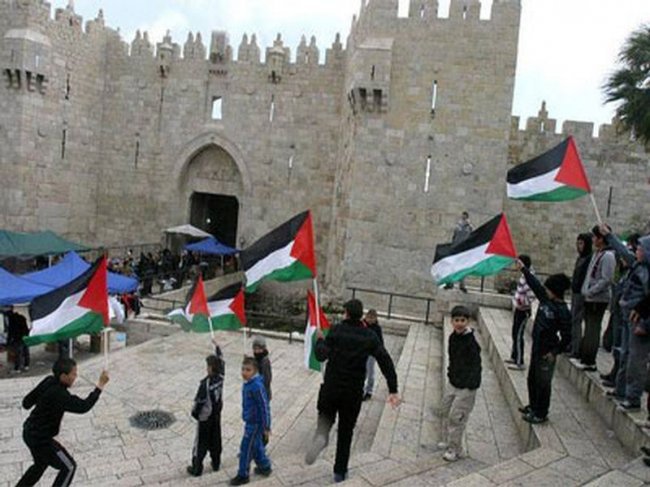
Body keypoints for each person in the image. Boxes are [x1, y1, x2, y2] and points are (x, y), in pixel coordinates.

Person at [305, 299, 401, 483]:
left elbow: (321, 355)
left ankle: (321, 438)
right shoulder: (369, 336)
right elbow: (385, 360)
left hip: (331, 387)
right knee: (346, 432)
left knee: (325, 420)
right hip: (352, 391)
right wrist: (393, 388)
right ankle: (339, 472)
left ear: (346, 313)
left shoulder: (336, 330)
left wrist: (319, 340)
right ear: (360, 315)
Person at [16, 358, 109, 487]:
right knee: (69, 467)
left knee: (40, 465)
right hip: (41, 440)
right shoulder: (60, 394)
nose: (75, 377)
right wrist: (100, 385)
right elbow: (84, 406)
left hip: (28, 432)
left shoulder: (48, 380)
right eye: (73, 374)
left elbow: (26, 403)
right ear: (63, 376)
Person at [600, 226, 650, 410]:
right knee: (623, 353)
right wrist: (609, 236)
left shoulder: (646, 273)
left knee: (635, 359)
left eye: (640, 249)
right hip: (627, 316)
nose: (636, 251)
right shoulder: (637, 265)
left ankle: (633, 397)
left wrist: (645, 324)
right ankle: (621, 389)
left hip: (639, 322)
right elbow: (622, 251)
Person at [516, 260, 572, 424]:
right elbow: (535, 284)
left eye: (548, 289)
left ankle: (541, 412)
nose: (545, 290)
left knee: (543, 383)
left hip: (547, 351)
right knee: (532, 379)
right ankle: (533, 406)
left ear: (555, 291)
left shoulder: (563, 311)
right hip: (537, 347)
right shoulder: (545, 300)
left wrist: (555, 352)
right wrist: (524, 269)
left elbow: (567, 337)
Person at [438, 305, 481, 462]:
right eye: (456, 320)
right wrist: (451, 374)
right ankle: (448, 440)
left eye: (463, 320)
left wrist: (470, 384)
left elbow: (476, 365)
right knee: (445, 410)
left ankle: (455, 449)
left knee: (457, 417)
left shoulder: (471, 342)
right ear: (452, 321)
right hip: (454, 382)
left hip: (467, 387)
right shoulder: (453, 337)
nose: (459, 323)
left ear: (467, 321)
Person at [572, 226, 616, 372]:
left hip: (598, 299)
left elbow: (606, 279)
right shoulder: (598, 254)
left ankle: (589, 361)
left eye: (595, 237)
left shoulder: (608, 256)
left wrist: (591, 291)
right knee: (588, 328)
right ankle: (584, 357)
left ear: (601, 239)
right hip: (589, 298)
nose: (593, 240)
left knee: (593, 330)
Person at [230, 357, 272, 486]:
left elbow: (264, 406)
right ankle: (265, 466)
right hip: (250, 421)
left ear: (255, 371)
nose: (244, 372)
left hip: (255, 424)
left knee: (246, 448)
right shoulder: (249, 383)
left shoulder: (256, 386)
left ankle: (243, 474)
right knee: (256, 445)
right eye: (243, 369)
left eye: (248, 370)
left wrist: (267, 426)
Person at [187, 340, 225, 477]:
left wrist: (195, 414)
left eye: (208, 366)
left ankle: (197, 468)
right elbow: (222, 361)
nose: (206, 368)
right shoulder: (221, 378)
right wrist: (217, 346)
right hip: (216, 416)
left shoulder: (205, 384)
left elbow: (199, 403)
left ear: (210, 368)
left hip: (205, 418)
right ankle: (216, 463)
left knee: (200, 443)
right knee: (216, 440)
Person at [506, 255, 535, 371]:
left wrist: (521, 301)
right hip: (519, 309)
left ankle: (520, 362)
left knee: (518, 335)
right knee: (515, 333)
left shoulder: (529, 277)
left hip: (524, 311)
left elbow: (531, 296)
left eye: (518, 263)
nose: (516, 265)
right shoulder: (524, 275)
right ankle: (514, 356)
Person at [570, 233, 593, 358]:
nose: (579, 246)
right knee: (573, 319)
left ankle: (576, 348)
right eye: (578, 243)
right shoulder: (581, 258)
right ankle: (572, 345)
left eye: (581, 243)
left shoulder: (589, 259)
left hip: (581, 294)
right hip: (575, 292)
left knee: (576, 320)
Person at [445, 212, 473, 292]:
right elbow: (454, 237)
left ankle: (461, 285)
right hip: (456, 249)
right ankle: (450, 283)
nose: (463, 218)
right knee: (453, 266)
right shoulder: (458, 226)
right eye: (462, 216)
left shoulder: (469, 227)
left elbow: (471, 238)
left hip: (464, 250)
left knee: (462, 268)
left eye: (465, 217)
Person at [362, 309, 384, 401]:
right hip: (362, 352)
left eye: (372, 318)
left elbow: (380, 342)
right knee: (362, 372)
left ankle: (369, 391)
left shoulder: (377, 328)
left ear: (375, 319)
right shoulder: (362, 325)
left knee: (370, 372)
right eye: (369, 318)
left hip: (371, 353)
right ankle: (360, 389)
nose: (370, 320)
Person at [6, 306, 30, 373]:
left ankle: (17, 368)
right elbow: (26, 328)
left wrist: (8, 341)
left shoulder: (11, 320)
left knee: (18, 353)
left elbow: (10, 331)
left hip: (17, 338)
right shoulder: (22, 317)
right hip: (25, 337)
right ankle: (26, 365)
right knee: (25, 352)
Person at [252, 336, 272, 402]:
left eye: (259, 349)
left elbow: (267, 379)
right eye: (255, 349)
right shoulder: (256, 359)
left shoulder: (265, 362)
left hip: (263, 393)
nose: (257, 351)